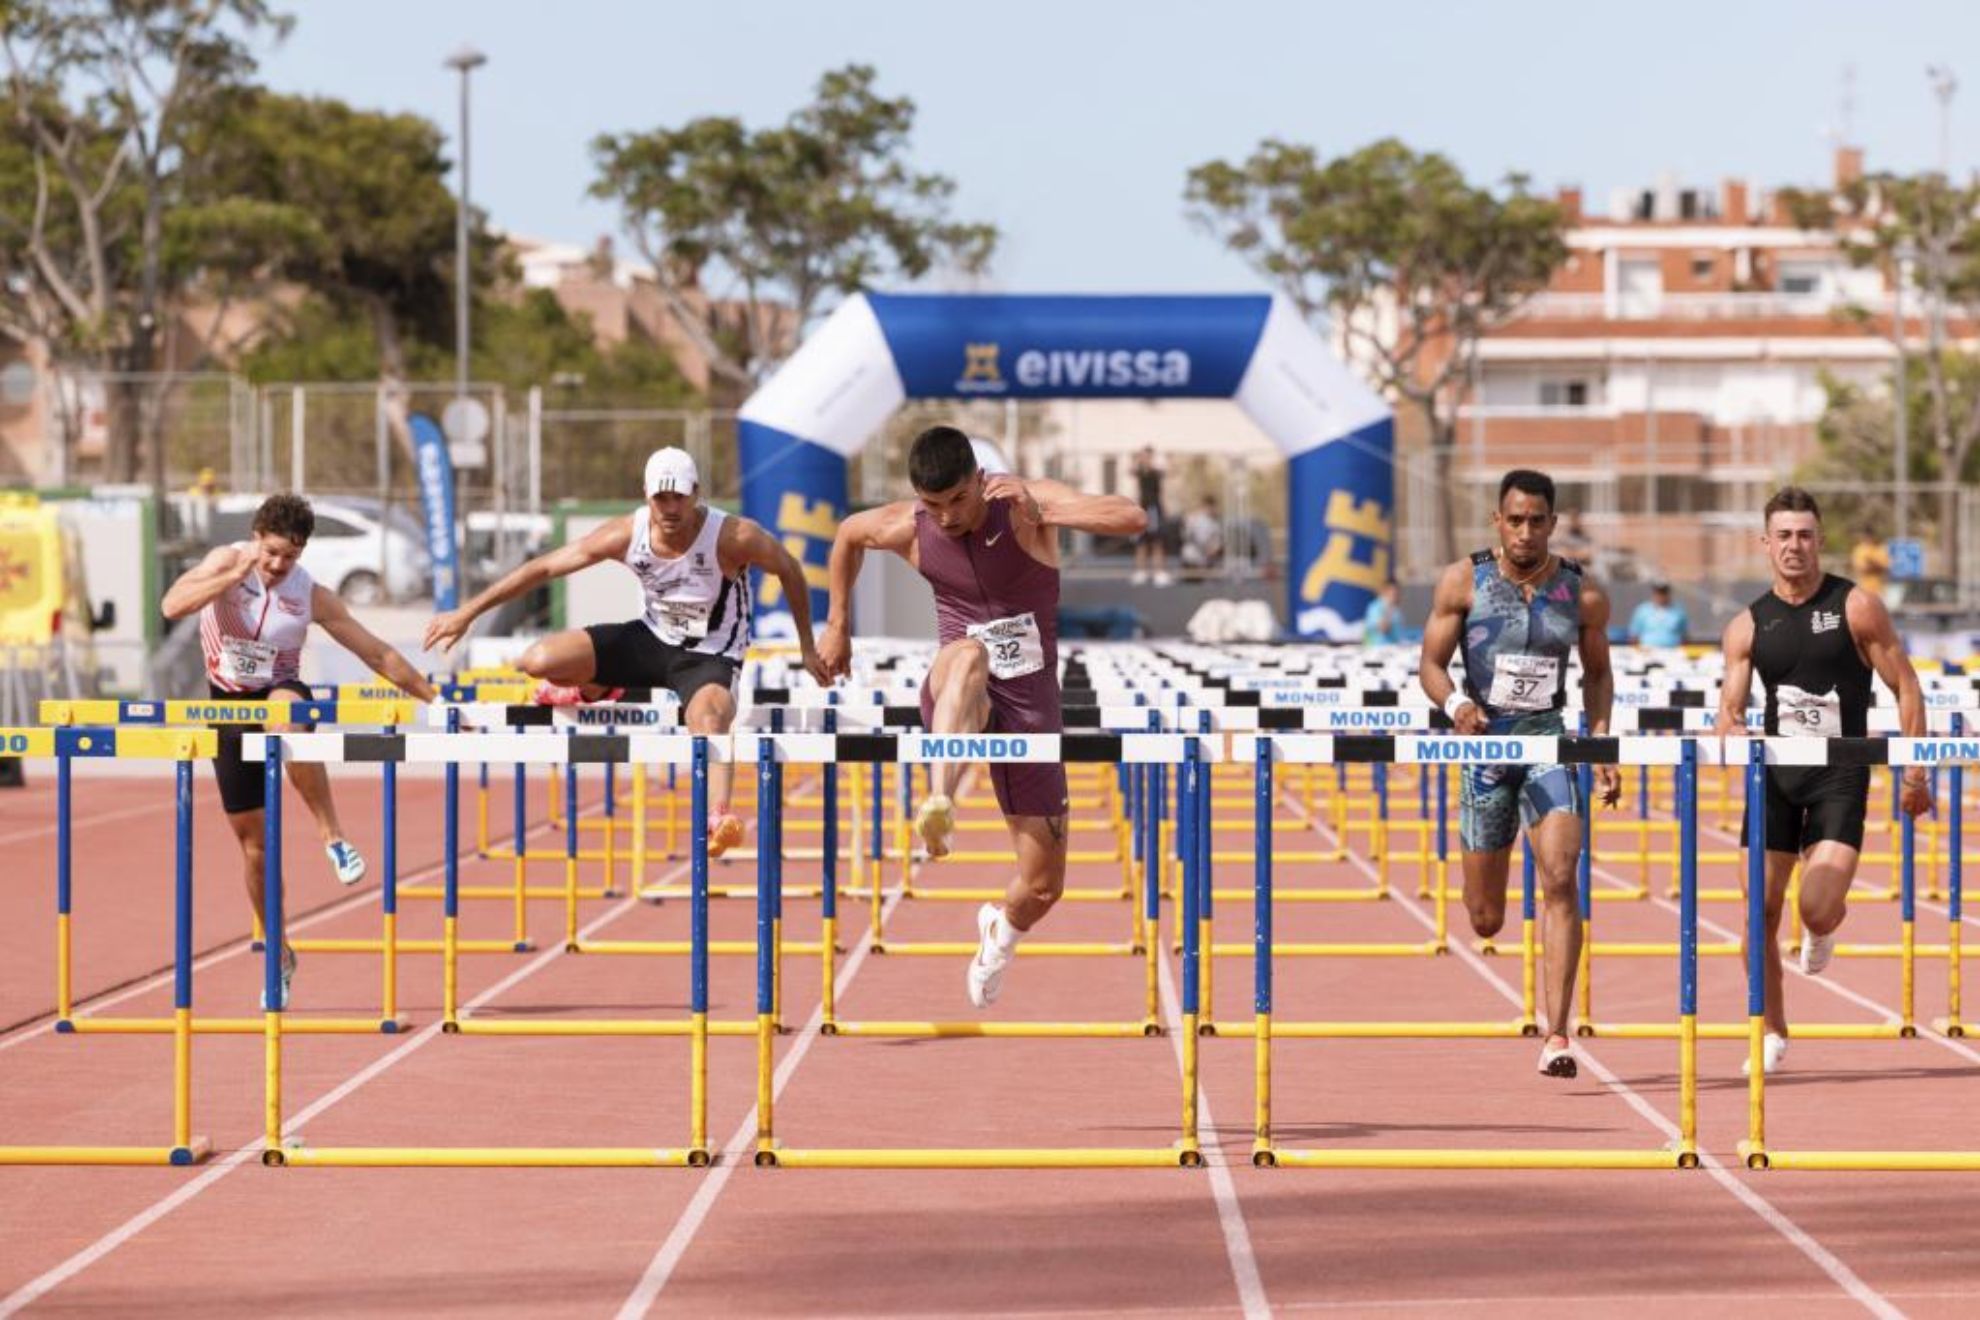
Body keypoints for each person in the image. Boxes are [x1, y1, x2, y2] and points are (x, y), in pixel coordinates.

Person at [819, 424, 1146, 1007]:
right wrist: (839, 622)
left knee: (1045, 886)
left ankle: (1001, 931)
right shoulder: (911, 526)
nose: (945, 517)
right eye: (933, 505)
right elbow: (847, 535)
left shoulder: (1023, 506)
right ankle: (939, 798)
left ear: (979, 480)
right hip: (957, 693)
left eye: (957, 501)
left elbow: (1130, 517)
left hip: (1029, 706)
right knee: (970, 654)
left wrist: (1042, 507)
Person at [423, 447, 827, 858]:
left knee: (708, 719)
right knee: (537, 662)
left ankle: (718, 814)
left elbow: (790, 569)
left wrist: (808, 647)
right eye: (660, 498)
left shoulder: (734, 536)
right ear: (646, 495)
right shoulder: (626, 534)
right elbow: (544, 568)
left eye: (679, 497)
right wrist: (467, 612)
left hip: (710, 654)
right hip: (650, 640)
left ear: (696, 494)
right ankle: (598, 686)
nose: (669, 508)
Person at [161, 493, 438, 1009]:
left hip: (281, 690)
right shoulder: (227, 561)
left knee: (285, 714)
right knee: (253, 846)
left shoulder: (310, 594)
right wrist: (232, 575)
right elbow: (173, 605)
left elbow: (376, 652)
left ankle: (333, 835)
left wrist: (434, 700)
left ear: (302, 553)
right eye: (270, 553)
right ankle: (279, 953)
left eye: (289, 556)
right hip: (226, 706)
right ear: (255, 538)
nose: (276, 565)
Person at [1714, 487, 1931, 1075]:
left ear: (1820, 540)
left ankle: (1822, 926)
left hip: (1840, 776)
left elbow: (1905, 686)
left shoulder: (1857, 605)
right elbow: (1729, 708)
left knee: (1814, 906)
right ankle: (1769, 1028)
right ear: (1766, 543)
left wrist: (1915, 768)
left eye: (1804, 535)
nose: (1794, 546)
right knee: (1757, 911)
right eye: (1783, 535)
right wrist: (1729, 728)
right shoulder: (1748, 624)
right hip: (1777, 780)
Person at [1418, 468, 1621, 1079]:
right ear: (1497, 521)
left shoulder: (1581, 593)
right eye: (1515, 520)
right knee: (1486, 917)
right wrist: (1457, 706)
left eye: (1538, 521)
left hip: (1548, 740)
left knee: (1561, 877)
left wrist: (1601, 741)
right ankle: (1488, 907)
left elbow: (1599, 674)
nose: (1526, 531)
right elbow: (1430, 663)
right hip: (1485, 743)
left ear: (1553, 524)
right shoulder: (1464, 580)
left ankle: (1557, 1033)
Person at [1130, 446, 1171, 586]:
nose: (1145, 459)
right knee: (1141, 542)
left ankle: (1159, 572)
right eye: (1143, 456)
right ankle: (1141, 572)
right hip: (1142, 508)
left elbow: (1163, 489)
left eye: (1148, 456)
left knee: (1156, 541)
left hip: (1154, 509)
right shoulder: (1139, 472)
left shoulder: (1156, 473)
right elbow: (1130, 471)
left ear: (1152, 457)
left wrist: (1165, 508)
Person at [1626, 580, 1689, 647]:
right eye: (1658, 592)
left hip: (1672, 652)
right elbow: (1634, 634)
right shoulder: (1642, 610)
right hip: (1648, 651)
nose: (1661, 596)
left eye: (1664, 592)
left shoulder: (1678, 612)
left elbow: (1684, 635)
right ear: (1654, 593)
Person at [1180, 497, 1224, 573]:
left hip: (1206, 561)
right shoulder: (1194, 519)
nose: (1211, 509)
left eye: (1213, 507)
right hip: (1192, 559)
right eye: (1209, 506)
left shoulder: (1216, 524)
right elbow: (1187, 536)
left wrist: (1214, 549)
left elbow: (1217, 543)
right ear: (1204, 506)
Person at [1850, 528, 1891, 600]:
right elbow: (1863, 569)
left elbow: (1886, 567)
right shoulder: (1859, 550)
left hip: (1880, 589)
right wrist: (1876, 564)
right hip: (1864, 589)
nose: (1869, 538)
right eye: (1866, 536)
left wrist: (1871, 563)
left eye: (1870, 536)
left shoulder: (1880, 548)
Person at [1363, 581, 1406, 645]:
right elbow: (1383, 628)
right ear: (1384, 592)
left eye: (1398, 594)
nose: (1397, 596)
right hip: (1378, 648)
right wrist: (1389, 609)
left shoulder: (1396, 609)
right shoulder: (1375, 607)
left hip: (1396, 646)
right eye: (1394, 594)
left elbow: (1398, 632)